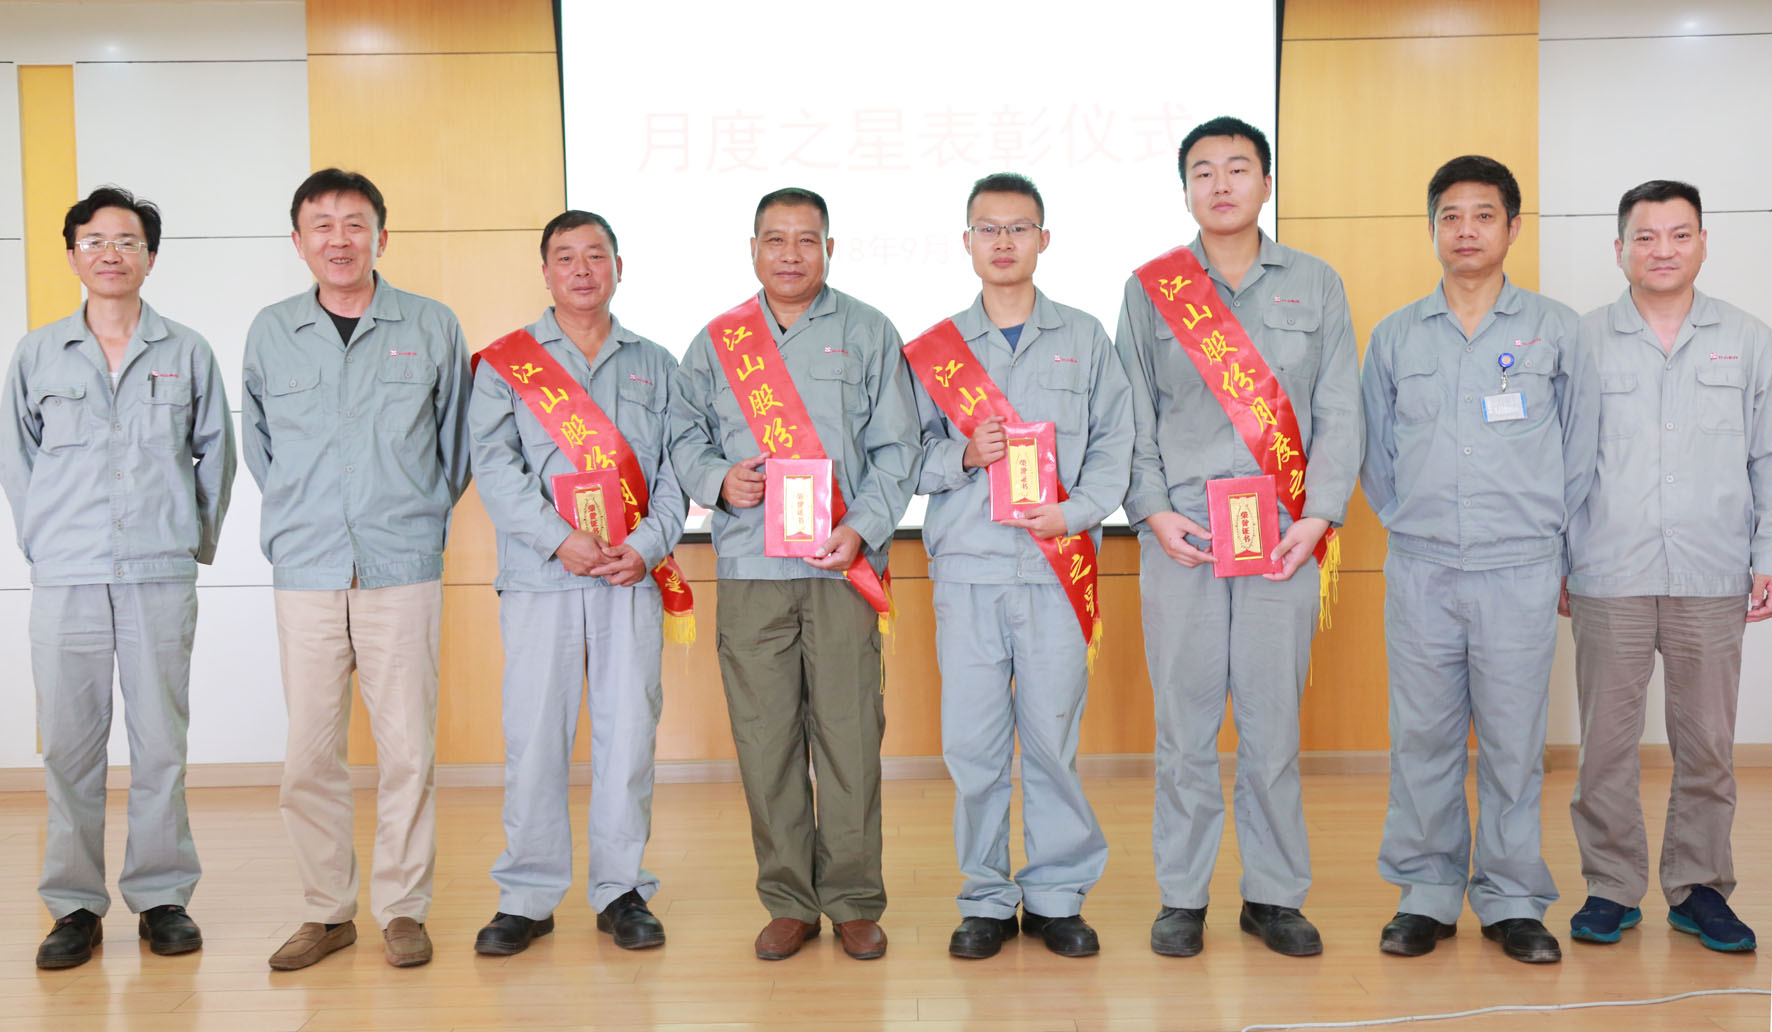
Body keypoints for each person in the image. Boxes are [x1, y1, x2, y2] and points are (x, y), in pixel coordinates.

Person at [1115, 116, 1363, 959]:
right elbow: (1130, 413)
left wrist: (1320, 516)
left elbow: (1340, 409)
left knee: (1271, 728)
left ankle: (1273, 896)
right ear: (1185, 188)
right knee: (1184, 732)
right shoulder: (1151, 289)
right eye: (1203, 171)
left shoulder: (1317, 284)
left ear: (1266, 182)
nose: (1220, 184)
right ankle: (1182, 897)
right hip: (1181, 539)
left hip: (1283, 539)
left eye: (1237, 168)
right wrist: (1153, 511)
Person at [668, 187, 919, 961]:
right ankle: (788, 901)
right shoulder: (716, 343)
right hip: (751, 569)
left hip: (841, 568)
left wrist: (861, 527)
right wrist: (717, 479)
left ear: (829, 249)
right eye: (774, 239)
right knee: (765, 739)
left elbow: (898, 449)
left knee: (849, 736)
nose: (790, 254)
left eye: (806, 240)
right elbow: (683, 437)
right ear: (753, 250)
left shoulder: (869, 331)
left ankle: (853, 900)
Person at [1360, 154, 1598, 964]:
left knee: (1512, 742)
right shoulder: (1397, 335)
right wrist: (1409, 519)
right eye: (1450, 217)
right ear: (1432, 228)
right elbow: (1375, 453)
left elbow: (1581, 449)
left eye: (1483, 215)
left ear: (1513, 227)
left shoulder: (1556, 330)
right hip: (1422, 567)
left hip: (1521, 569)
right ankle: (1425, 893)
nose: (1466, 230)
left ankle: (1511, 898)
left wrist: (1555, 545)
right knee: (1421, 738)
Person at [242, 169, 472, 970]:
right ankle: (327, 912)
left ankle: (403, 910)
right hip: (305, 569)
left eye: (354, 223)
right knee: (309, 755)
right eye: (322, 224)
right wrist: (303, 518)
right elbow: (260, 449)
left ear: (382, 235)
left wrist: (415, 516)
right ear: (298, 239)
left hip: (400, 564)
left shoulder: (433, 325)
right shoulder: (271, 331)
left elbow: (454, 447)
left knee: (408, 751)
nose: (338, 239)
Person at [1, 186, 235, 969]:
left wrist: (189, 543)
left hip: (158, 574)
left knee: (161, 741)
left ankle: (163, 897)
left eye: (127, 241)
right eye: (95, 240)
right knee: (69, 746)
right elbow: (17, 462)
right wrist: (44, 543)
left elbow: (217, 454)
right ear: (73, 255)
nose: (111, 253)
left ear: (150, 258)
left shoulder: (186, 351)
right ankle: (74, 906)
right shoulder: (38, 354)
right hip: (66, 575)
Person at [908, 173, 1131, 959]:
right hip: (969, 571)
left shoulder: (1085, 337)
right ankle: (985, 899)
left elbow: (1116, 444)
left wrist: (1077, 511)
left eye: (1019, 228)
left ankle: (1057, 896)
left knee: (1051, 741)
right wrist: (963, 455)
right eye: (988, 228)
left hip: (1055, 569)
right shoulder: (936, 350)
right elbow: (904, 457)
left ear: (1044, 239)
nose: (1003, 242)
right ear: (966, 241)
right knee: (972, 748)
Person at [467, 210, 686, 956]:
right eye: (566, 257)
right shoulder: (507, 364)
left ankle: (621, 890)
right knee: (534, 739)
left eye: (596, 255)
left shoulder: (657, 364)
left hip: (629, 577)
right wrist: (558, 538)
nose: (582, 269)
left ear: (619, 267)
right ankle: (526, 896)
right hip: (541, 578)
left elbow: (676, 471)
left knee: (628, 737)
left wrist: (648, 546)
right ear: (545, 272)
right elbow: (494, 468)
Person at [1563, 179, 1767, 953]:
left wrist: (1767, 555)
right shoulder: (1582, 341)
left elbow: (1767, 456)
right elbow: (1559, 461)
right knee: (1605, 748)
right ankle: (1610, 888)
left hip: (1712, 572)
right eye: (1645, 237)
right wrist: (1559, 557)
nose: (1663, 250)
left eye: (1679, 235)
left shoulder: (1748, 339)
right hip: (1608, 571)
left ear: (1703, 243)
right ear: (1619, 249)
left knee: (1708, 745)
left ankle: (1699, 887)